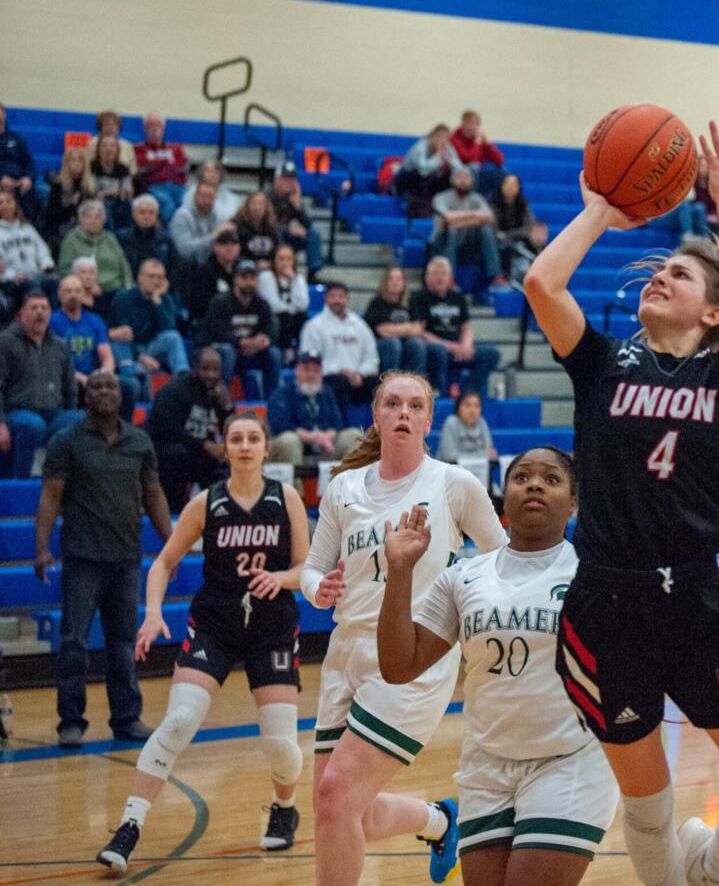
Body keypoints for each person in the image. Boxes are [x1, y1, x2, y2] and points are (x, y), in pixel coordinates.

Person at [524, 116, 719, 886]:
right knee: (646, 805)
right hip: (606, 597)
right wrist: (599, 212)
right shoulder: (602, 363)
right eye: (656, 269)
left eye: (680, 275)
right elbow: (542, 284)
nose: (659, 275)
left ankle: (712, 864)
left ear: (710, 314)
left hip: (698, 598)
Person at [378, 446, 620, 885]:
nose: (534, 484)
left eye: (551, 479)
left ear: (574, 501)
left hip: (569, 761)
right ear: (502, 496)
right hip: (486, 765)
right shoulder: (464, 577)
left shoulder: (595, 574)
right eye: (522, 477)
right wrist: (399, 570)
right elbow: (399, 666)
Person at [301, 371, 506, 886]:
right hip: (345, 651)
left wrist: (476, 627)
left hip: (413, 658)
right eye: (393, 404)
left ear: (429, 420)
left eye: (415, 405)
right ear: (377, 417)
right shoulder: (344, 488)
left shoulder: (454, 484)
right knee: (344, 813)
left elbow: (502, 560)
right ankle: (441, 822)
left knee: (335, 797)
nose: (404, 413)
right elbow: (311, 565)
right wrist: (315, 588)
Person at [96, 411, 311, 873]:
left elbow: (304, 569)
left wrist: (281, 577)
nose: (246, 445)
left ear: (265, 448)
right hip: (214, 623)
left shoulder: (286, 498)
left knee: (281, 748)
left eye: (254, 438)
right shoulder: (207, 502)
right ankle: (129, 826)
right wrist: (152, 614)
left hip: (272, 626)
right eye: (237, 438)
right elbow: (161, 564)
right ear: (226, 448)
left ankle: (284, 806)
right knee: (180, 720)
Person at [33, 371, 172, 749]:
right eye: (97, 387)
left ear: (121, 395)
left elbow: (154, 495)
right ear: (85, 397)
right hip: (82, 558)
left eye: (111, 386)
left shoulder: (140, 441)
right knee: (74, 642)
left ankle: (126, 718)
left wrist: (172, 543)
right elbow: (50, 495)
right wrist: (41, 547)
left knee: (123, 643)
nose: (105, 392)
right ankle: (70, 722)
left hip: (126, 558)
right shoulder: (67, 441)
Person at [0, 290, 82, 477]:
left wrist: (71, 410)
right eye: (34, 307)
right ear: (21, 314)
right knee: (33, 425)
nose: (40, 312)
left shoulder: (60, 345)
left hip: (53, 414)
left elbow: (70, 389)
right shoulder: (4, 342)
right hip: (16, 413)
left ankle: (65, 483)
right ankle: (21, 483)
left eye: (44, 308)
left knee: (79, 420)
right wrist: (0, 424)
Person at [146, 347, 233, 512]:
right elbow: (165, 430)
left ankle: (221, 513)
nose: (211, 375)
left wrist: (228, 407)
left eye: (215, 370)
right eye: (205, 369)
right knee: (176, 454)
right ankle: (175, 512)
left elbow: (230, 431)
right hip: (167, 454)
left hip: (199, 455)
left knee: (228, 462)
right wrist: (204, 445)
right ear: (194, 368)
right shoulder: (174, 391)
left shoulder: (219, 394)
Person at [410, 256, 500, 398]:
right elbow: (420, 332)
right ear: (426, 277)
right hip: (435, 348)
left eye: (443, 273)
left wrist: (465, 346)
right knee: (438, 352)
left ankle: (469, 395)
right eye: (435, 273)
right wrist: (452, 347)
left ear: (450, 277)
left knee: (491, 354)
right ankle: (442, 397)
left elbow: (466, 327)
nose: (439, 277)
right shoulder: (418, 297)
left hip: (458, 349)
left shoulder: (457, 297)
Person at [50, 273, 136, 418]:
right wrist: (81, 378)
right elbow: (54, 361)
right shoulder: (52, 322)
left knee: (128, 385)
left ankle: (125, 431)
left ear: (83, 293)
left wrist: (103, 375)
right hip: (67, 378)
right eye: (68, 291)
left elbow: (106, 355)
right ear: (60, 294)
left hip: (94, 376)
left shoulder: (95, 320)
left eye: (77, 291)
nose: (73, 295)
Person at [108, 257, 189, 401]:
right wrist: (140, 356)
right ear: (140, 277)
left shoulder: (165, 299)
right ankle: (130, 373)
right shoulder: (123, 298)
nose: (156, 281)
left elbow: (168, 328)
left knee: (173, 337)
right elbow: (123, 335)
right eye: (151, 276)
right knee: (120, 340)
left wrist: (157, 300)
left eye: (160, 277)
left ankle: (183, 379)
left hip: (153, 349)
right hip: (129, 350)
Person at [267, 351, 362, 470]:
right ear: (296, 371)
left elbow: (337, 423)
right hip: (296, 445)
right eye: (306, 370)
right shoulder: (281, 394)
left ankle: (350, 486)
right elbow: (281, 426)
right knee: (289, 440)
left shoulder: (327, 392)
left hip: (326, 445)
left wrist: (326, 437)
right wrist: (315, 438)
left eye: (316, 371)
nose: (311, 375)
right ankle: (293, 488)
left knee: (354, 435)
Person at [201, 258, 280, 400]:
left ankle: (272, 402)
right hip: (223, 352)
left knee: (274, 354)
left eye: (252, 278)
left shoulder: (261, 303)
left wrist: (263, 341)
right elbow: (218, 332)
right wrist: (242, 343)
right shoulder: (220, 301)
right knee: (227, 351)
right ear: (235, 279)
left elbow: (270, 328)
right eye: (244, 277)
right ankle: (219, 399)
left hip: (250, 353)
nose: (248, 282)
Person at [299, 281, 380, 417]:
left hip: (357, 379)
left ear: (347, 299)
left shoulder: (360, 325)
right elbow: (309, 362)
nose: (337, 300)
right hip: (328, 380)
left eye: (341, 296)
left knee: (383, 384)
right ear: (325, 299)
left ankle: (380, 432)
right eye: (333, 296)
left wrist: (359, 374)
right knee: (339, 382)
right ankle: (340, 430)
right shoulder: (314, 326)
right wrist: (341, 372)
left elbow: (371, 358)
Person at [430, 167, 509, 290]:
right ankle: (449, 278)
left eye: (466, 177)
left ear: (472, 181)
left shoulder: (477, 198)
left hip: (468, 245)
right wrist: (474, 216)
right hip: (442, 242)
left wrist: (458, 219)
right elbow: (448, 217)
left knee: (486, 230)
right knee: (452, 231)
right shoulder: (441, 197)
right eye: (459, 177)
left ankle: (496, 276)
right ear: (452, 180)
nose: (463, 180)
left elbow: (489, 217)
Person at [58, 200, 132, 314]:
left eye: (97, 217)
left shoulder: (110, 238)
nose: (93, 221)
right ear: (81, 219)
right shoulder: (71, 239)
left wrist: (128, 286)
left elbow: (123, 264)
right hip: (86, 291)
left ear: (103, 220)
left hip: (115, 289)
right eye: (88, 217)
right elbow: (65, 268)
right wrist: (85, 286)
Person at [365, 265, 428, 375]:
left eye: (399, 279)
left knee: (417, 343)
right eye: (391, 279)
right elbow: (384, 331)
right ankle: (390, 384)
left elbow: (418, 329)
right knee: (393, 343)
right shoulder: (377, 302)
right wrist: (408, 328)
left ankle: (415, 385)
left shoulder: (410, 301)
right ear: (385, 282)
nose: (395, 282)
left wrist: (395, 329)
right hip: (381, 344)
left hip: (405, 342)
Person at [396, 124, 466, 218]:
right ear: (432, 135)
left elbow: (460, 169)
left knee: (452, 177)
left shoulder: (447, 147)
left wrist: (450, 164)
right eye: (439, 136)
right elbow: (423, 170)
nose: (442, 140)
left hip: (428, 183)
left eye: (446, 138)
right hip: (406, 180)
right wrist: (438, 156)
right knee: (420, 176)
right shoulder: (421, 146)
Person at [0, 186, 56, 300]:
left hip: (36, 274)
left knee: (55, 281)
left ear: (15, 204)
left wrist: (47, 265)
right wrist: (12, 276)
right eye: (1, 203)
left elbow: (42, 251)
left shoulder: (27, 228)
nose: (5, 205)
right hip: (12, 280)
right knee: (33, 285)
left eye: (9, 201)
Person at [258, 243, 310, 363]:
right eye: (281, 259)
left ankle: (302, 352)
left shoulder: (298, 278)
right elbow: (273, 306)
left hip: (291, 318)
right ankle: (287, 351)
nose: (285, 263)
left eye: (289, 259)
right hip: (271, 319)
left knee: (303, 317)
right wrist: (291, 308)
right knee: (284, 316)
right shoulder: (266, 277)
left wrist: (293, 280)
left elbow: (303, 304)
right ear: (273, 261)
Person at [268, 166, 324, 279]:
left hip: (288, 236)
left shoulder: (293, 197)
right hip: (269, 237)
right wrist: (288, 229)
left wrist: (297, 206)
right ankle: (280, 270)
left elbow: (308, 224)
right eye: (285, 179)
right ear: (276, 179)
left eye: (292, 179)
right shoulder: (267, 196)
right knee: (278, 231)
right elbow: (267, 223)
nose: (289, 182)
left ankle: (313, 273)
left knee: (313, 234)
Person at [134, 113, 188, 219]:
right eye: (151, 125)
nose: (154, 128)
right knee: (167, 204)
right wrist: (166, 165)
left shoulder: (176, 148)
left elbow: (183, 168)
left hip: (177, 185)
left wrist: (158, 165)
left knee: (185, 205)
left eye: (158, 125)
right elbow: (141, 169)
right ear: (145, 128)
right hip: (154, 186)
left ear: (163, 128)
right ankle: (168, 234)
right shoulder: (138, 149)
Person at [492, 173, 546, 278]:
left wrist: (508, 235)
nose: (510, 187)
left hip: (517, 239)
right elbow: (493, 227)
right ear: (501, 185)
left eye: (514, 184)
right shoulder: (493, 202)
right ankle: (499, 276)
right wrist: (501, 236)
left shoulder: (523, 204)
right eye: (507, 184)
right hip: (498, 241)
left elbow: (529, 227)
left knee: (537, 241)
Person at [184, 227, 241, 326]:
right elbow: (200, 305)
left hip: (239, 321)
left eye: (233, 244)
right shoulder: (204, 271)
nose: (229, 248)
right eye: (224, 244)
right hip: (210, 322)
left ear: (239, 248)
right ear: (215, 247)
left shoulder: (242, 270)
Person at [45, 146, 96, 251]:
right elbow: (51, 216)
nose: (76, 163)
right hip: (61, 229)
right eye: (72, 160)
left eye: (80, 160)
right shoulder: (58, 186)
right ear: (66, 163)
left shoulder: (89, 188)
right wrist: (72, 204)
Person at [170, 175, 229, 266]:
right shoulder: (182, 216)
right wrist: (213, 237)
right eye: (203, 196)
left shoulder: (216, 216)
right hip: (184, 267)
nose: (206, 201)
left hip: (208, 266)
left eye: (210, 197)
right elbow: (184, 250)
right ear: (195, 196)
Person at [450, 109, 507, 200]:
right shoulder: (454, 138)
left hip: (478, 176)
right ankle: (471, 201)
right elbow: (468, 158)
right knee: (474, 167)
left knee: (501, 171)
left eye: (474, 124)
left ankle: (492, 203)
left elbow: (500, 160)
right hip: (459, 175)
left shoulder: (480, 140)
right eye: (468, 123)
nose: (471, 127)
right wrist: (477, 144)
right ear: (462, 124)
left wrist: (489, 145)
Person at [119, 193, 175, 276]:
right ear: (133, 214)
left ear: (156, 215)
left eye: (151, 213)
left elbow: (174, 268)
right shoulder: (121, 238)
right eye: (142, 212)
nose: (147, 217)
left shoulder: (166, 239)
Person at [438, 391, 497, 466]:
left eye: (476, 406)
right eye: (467, 405)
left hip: (478, 472)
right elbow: (449, 457)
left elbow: (490, 454)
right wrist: (481, 455)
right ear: (458, 408)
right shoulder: (451, 422)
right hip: (452, 472)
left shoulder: (482, 422)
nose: (472, 410)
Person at [90, 132, 134, 229]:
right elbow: (91, 190)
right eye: (104, 145)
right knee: (103, 206)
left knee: (128, 205)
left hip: (118, 202)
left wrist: (108, 192)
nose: (108, 149)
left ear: (117, 150)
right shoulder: (91, 166)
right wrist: (112, 192)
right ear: (98, 149)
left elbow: (127, 192)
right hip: (97, 202)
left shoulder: (123, 168)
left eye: (112, 146)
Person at [235, 190, 279, 268]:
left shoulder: (272, 228)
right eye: (253, 203)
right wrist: (255, 263)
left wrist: (271, 264)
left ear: (266, 207)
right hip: (245, 267)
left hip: (268, 269)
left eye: (261, 204)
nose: (257, 207)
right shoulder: (238, 226)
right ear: (247, 206)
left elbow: (277, 252)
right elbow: (235, 254)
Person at [0, 102, 36, 195]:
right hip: (2, 181)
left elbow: (29, 162)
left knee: (43, 190)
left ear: (4, 114)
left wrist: (28, 178)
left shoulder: (16, 137)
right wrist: (1, 178)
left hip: (20, 180)